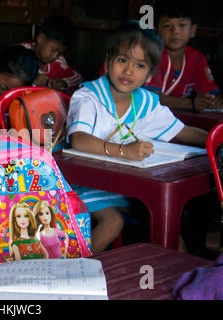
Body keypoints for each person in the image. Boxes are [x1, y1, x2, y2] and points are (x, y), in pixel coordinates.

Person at [66, 22, 208, 254]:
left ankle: (177, 278)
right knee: (113, 223)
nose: (129, 71)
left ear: (150, 74)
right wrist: (125, 151)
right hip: (82, 182)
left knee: (165, 221)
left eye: (140, 65)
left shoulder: (146, 103)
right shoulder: (89, 96)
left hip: (122, 185)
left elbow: (183, 132)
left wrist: (214, 141)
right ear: (108, 60)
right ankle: (74, 275)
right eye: (122, 60)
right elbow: (79, 140)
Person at [144, 1, 222, 111]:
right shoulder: (152, 55)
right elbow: (152, 97)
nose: (175, 31)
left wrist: (215, 100)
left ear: (193, 30)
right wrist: (190, 104)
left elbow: (212, 92)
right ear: (156, 31)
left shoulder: (197, 59)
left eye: (181, 25)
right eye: (167, 26)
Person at [21, 14, 83, 96]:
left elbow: (79, 79)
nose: (55, 56)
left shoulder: (58, 62)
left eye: (60, 53)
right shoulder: (21, 52)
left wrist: (63, 82)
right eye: (54, 50)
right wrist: (31, 78)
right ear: (41, 38)